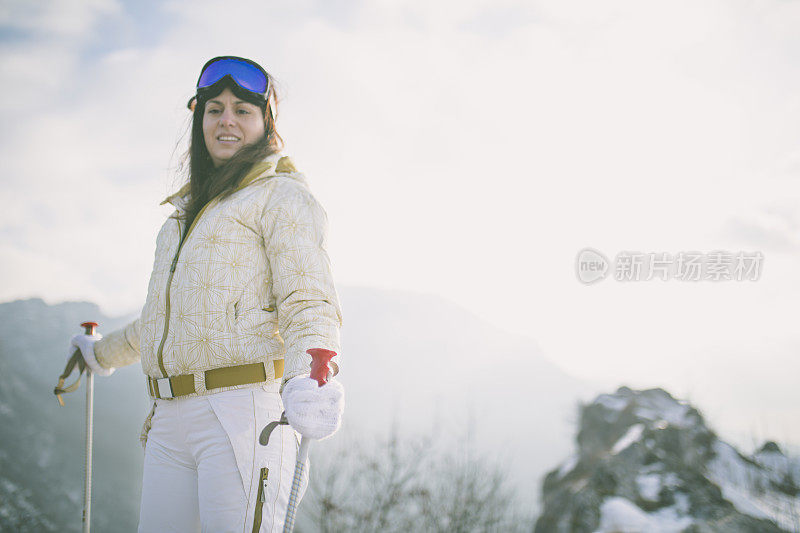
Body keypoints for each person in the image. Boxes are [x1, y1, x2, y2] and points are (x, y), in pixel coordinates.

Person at [68, 56, 345, 532]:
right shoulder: (182, 216)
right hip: (169, 420)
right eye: (214, 109)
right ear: (199, 121)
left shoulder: (281, 196)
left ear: (266, 124)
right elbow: (162, 321)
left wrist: (310, 375)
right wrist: (102, 355)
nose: (227, 121)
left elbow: (309, 299)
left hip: (242, 412)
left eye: (242, 109)